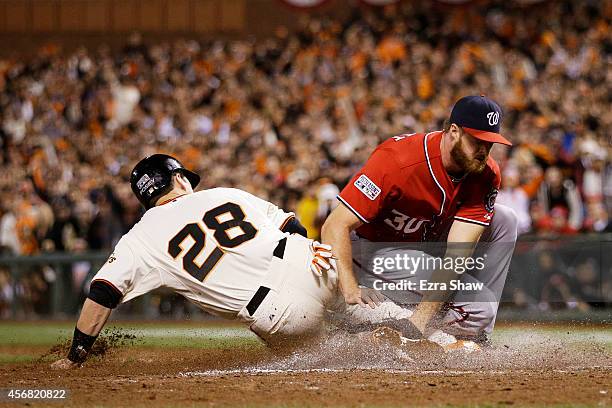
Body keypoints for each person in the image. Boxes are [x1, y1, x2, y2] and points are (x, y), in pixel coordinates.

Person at [52, 154, 338, 368]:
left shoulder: (138, 238)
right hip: (310, 262)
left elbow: (102, 292)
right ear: (178, 178)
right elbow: (293, 228)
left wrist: (76, 354)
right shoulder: (224, 193)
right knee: (364, 307)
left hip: (278, 315)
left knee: (329, 354)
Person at [322, 95, 519, 344]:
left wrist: (421, 321)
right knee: (480, 308)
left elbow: (458, 254)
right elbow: (334, 224)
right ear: (454, 132)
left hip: (423, 244)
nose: (484, 151)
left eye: (490, 143)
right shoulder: (398, 158)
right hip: (374, 251)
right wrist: (349, 289)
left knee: (505, 220)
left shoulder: (485, 173)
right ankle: (360, 321)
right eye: (477, 141)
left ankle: (477, 338)